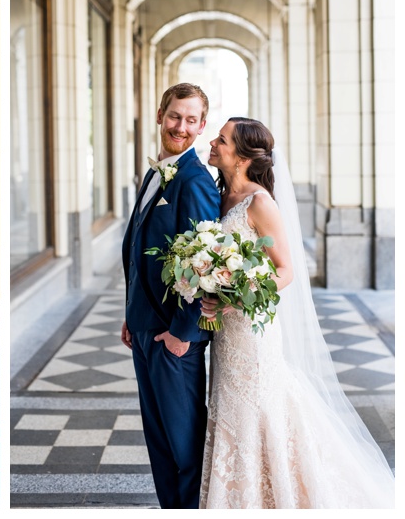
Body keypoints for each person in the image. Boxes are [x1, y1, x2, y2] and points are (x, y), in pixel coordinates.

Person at [199, 117, 394, 508]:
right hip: (225, 333)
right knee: (230, 407)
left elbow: (286, 269)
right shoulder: (218, 196)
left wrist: (233, 297)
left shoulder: (261, 202)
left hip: (252, 332)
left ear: (240, 157)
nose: (213, 143)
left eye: (221, 140)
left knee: (260, 407)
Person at [120, 83, 221, 509]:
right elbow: (138, 249)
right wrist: (131, 313)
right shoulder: (154, 172)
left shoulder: (195, 182)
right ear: (161, 115)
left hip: (174, 338)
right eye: (175, 116)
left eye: (191, 120)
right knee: (159, 441)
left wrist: (182, 332)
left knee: (183, 446)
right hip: (145, 326)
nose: (181, 126)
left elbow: (205, 266)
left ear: (201, 126)